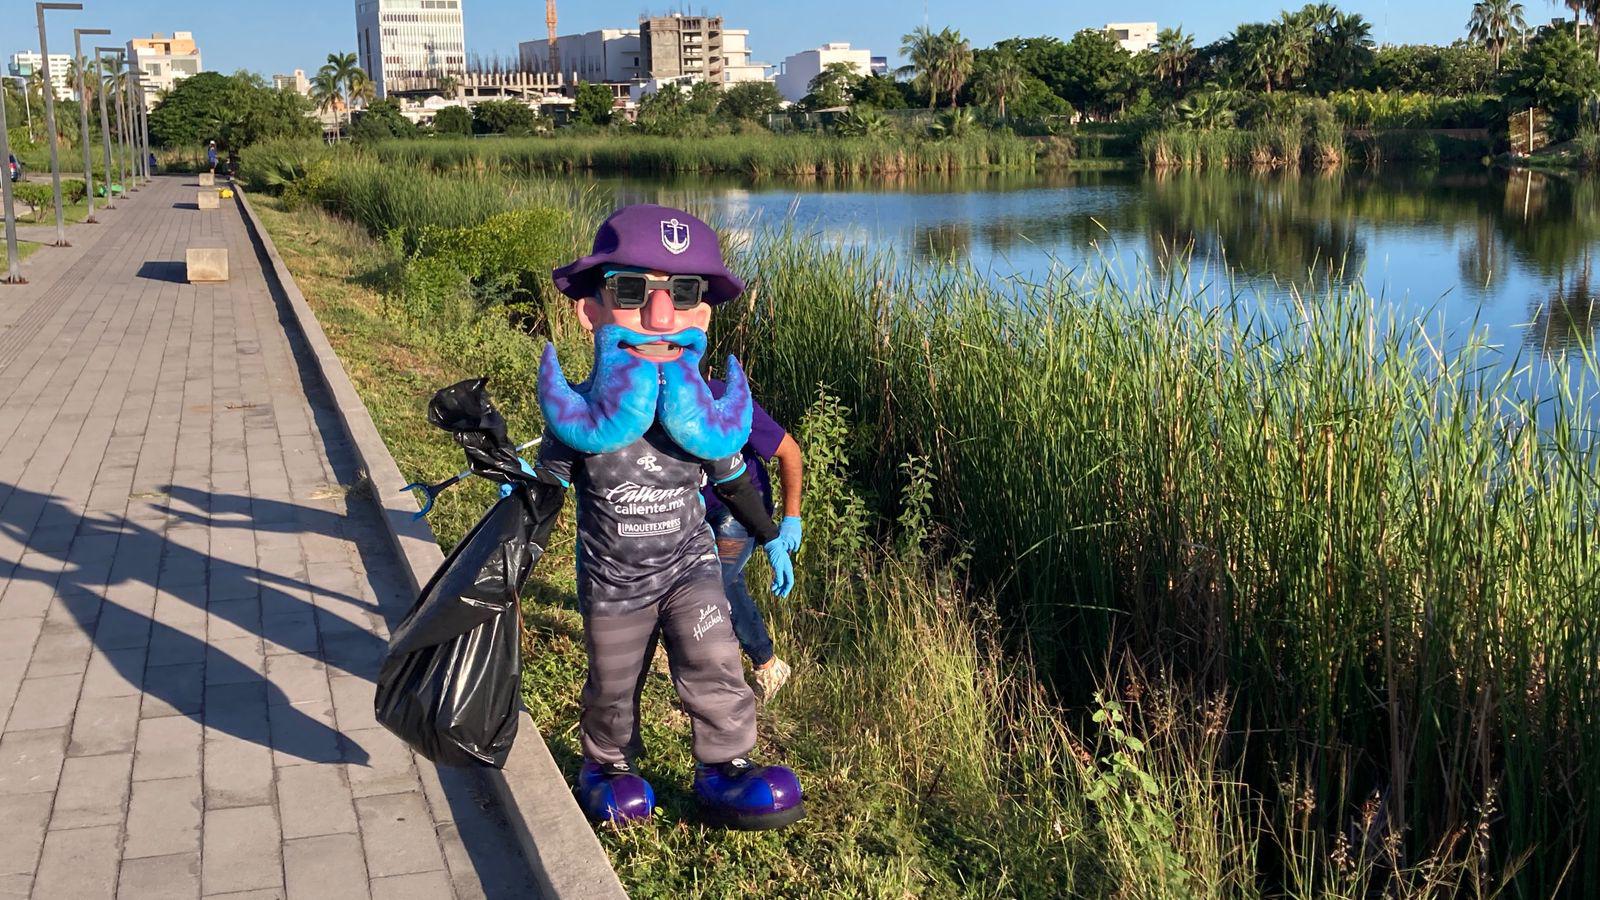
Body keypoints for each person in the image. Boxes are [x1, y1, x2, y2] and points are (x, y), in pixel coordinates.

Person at [530, 204, 805, 831]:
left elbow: (734, 481)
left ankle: (726, 765)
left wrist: (773, 534)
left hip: (690, 564)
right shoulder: (578, 419)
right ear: (591, 311)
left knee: (715, 658)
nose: (661, 316)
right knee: (613, 681)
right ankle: (607, 765)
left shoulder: (705, 413)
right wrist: (512, 547)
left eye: (684, 294)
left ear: (702, 316)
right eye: (631, 291)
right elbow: (545, 494)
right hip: (614, 579)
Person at [702, 382, 801, 700]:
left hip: (742, 508)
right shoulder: (646, 395)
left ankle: (740, 673)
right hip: (694, 507)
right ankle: (765, 664)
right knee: (721, 582)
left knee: (713, 582)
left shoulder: (726, 399)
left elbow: (789, 450)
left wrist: (791, 519)